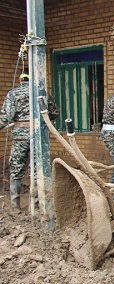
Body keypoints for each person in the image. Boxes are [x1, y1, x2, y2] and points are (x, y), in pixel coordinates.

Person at [0, 68, 59, 210]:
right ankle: (38, 204)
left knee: (16, 168)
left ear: (21, 79)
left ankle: (15, 204)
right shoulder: (41, 92)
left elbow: (5, 117)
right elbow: (54, 112)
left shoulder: (13, 93)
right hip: (38, 135)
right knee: (37, 168)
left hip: (20, 136)